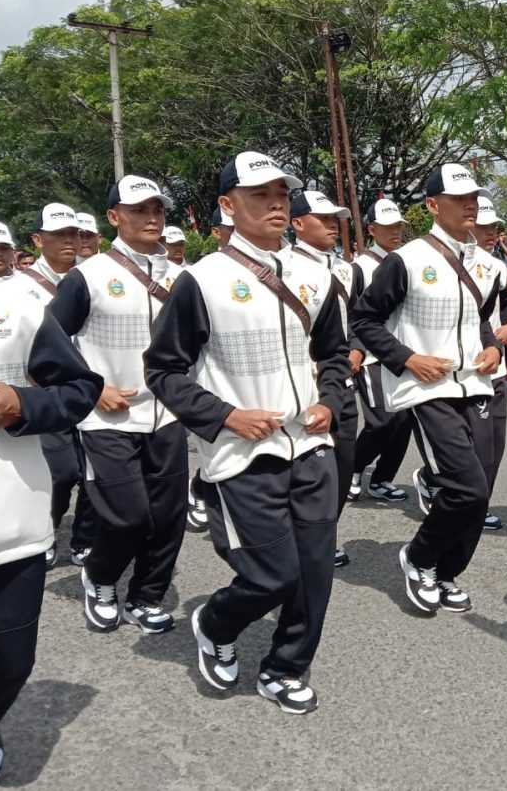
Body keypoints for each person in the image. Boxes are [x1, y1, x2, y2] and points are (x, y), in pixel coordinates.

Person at [145, 150, 348, 714]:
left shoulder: (316, 275)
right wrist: (224, 417)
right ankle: (214, 621)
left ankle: (285, 668)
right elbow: (163, 370)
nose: (276, 203)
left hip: (311, 448)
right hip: (241, 454)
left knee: (312, 575)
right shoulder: (202, 281)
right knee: (271, 575)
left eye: (281, 193)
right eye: (259, 195)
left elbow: (333, 354)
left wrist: (331, 400)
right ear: (228, 206)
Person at [0, 165, 102, 790]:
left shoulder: (10, 302)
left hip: (7, 532)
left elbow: (79, 388)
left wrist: (25, 407)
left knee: (9, 663)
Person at [352, 163, 502, 614]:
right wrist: (407, 358)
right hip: (427, 388)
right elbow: (364, 320)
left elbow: (479, 317)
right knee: (466, 488)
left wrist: (492, 346)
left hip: (476, 383)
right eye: (459, 199)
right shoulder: (408, 260)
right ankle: (418, 558)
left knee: (480, 490)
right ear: (434, 206)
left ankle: (446, 570)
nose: (470, 204)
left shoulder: (485, 261)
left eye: (473, 196)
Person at [48, 175, 188, 635]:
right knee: (127, 515)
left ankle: (146, 597)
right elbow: (48, 345)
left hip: (167, 415)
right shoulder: (87, 277)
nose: (151, 217)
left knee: (167, 518)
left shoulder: (182, 278)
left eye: (157, 210)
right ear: (114, 217)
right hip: (108, 416)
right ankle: (101, 578)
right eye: (139, 209)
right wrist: (91, 387)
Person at [290, 189, 364, 566]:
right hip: (303, 384)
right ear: (298, 224)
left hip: (341, 381)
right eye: (324, 219)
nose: (333, 225)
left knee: (343, 464)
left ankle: (324, 531)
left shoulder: (348, 269)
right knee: (309, 466)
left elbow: (360, 319)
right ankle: (304, 537)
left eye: (336, 219)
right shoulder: (282, 268)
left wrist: (357, 350)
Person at [23, 204, 99, 568]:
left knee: (95, 474)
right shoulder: (20, 286)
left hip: (94, 392)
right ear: (38, 240)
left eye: (74, 234)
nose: (69, 241)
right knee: (62, 472)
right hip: (48, 394)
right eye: (58, 235)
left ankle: (84, 538)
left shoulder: (93, 278)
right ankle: (45, 532)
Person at [349, 198, 413, 503]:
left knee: (404, 421)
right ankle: (353, 466)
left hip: (405, 354)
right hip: (373, 356)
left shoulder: (408, 260)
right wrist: (356, 349)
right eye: (388, 227)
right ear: (372, 229)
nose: (395, 232)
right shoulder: (360, 268)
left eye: (398, 226)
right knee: (382, 421)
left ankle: (383, 478)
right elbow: (352, 314)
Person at [469, 195, 507, 530]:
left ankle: (479, 501)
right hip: (467, 369)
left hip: (497, 367)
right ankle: (455, 494)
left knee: (495, 444)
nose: (492, 233)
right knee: (472, 442)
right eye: (485, 227)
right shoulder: (446, 264)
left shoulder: (499, 266)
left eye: (495, 228)